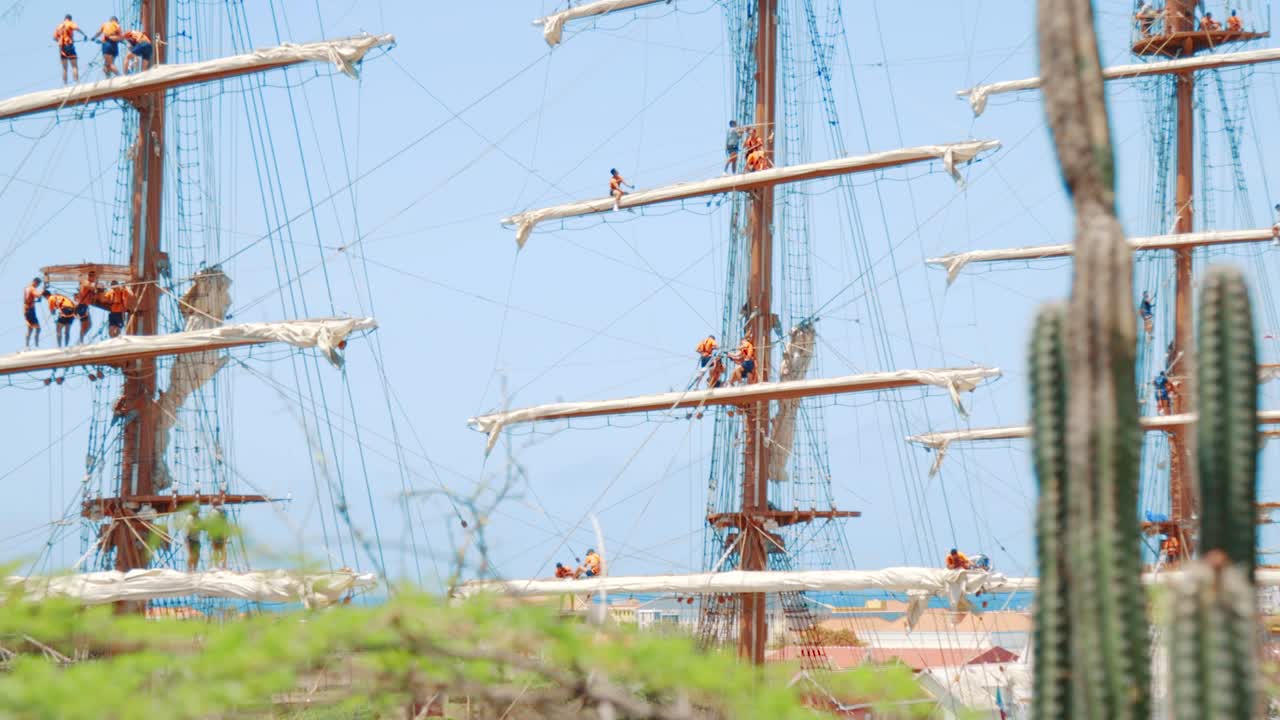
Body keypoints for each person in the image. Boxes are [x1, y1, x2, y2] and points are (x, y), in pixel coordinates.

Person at [53, 14, 88, 85]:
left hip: (61, 48)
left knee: (64, 68)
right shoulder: (70, 23)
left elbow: (54, 38)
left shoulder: (59, 26)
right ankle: (77, 83)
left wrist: (60, 41)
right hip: (69, 45)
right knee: (74, 66)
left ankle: (65, 85)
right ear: (70, 19)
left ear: (64, 18)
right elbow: (77, 28)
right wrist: (84, 35)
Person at [75, 271, 98, 344]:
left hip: (84, 306)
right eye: (93, 276)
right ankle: (81, 342)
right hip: (82, 306)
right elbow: (92, 287)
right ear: (90, 276)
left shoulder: (88, 283)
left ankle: (81, 339)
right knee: (84, 325)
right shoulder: (86, 282)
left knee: (89, 325)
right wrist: (96, 283)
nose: (94, 278)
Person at [23, 277, 43, 348]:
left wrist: (35, 300)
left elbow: (28, 299)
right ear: (35, 282)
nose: (37, 286)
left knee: (30, 329)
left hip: (26, 310)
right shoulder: (32, 288)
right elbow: (37, 295)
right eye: (38, 284)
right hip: (30, 311)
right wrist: (43, 290)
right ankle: (36, 346)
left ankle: (27, 346)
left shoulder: (27, 288)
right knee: (38, 328)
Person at [183, 507, 202, 573]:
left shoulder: (198, 518)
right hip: (190, 538)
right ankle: (190, 569)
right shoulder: (190, 517)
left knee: (197, 555)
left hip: (196, 538)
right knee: (191, 554)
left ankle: (194, 569)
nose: (198, 512)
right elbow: (191, 527)